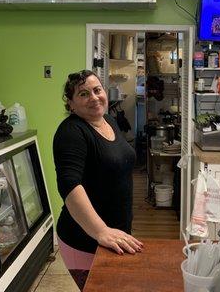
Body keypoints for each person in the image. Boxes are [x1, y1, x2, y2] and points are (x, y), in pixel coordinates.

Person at [53, 70, 143, 290]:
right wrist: (101, 230)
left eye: (97, 90)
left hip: (113, 234)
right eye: (83, 94)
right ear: (71, 104)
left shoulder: (109, 121)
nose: (93, 98)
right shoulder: (71, 132)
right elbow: (69, 186)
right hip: (85, 238)